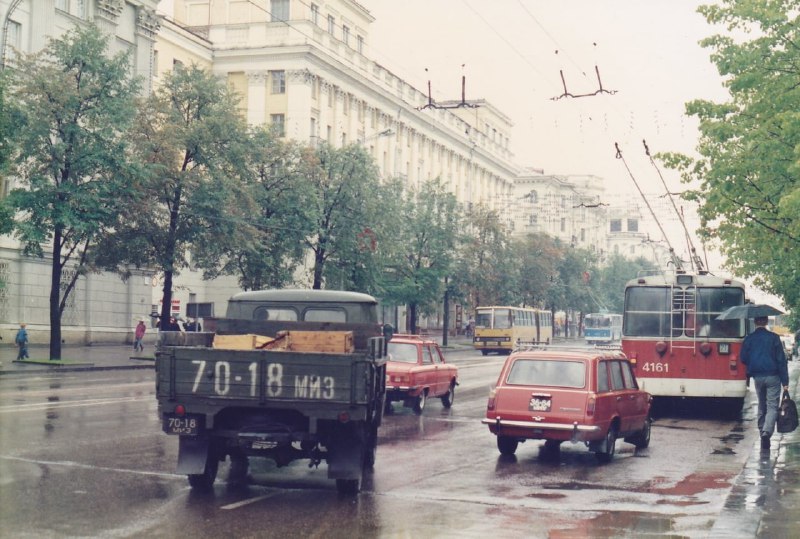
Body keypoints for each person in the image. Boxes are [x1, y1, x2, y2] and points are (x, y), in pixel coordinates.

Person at [740, 316, 790, 450]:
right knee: (772, 406)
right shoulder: (774, 338)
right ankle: (767, 433)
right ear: (766, 322)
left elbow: (743, 358)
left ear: (755, 322)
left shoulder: (749, 338)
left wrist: (754, 362)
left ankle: (762, 431)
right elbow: (781, 360)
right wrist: (785, 382)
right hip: (773, 376)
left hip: (758, 377)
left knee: (762, 405)